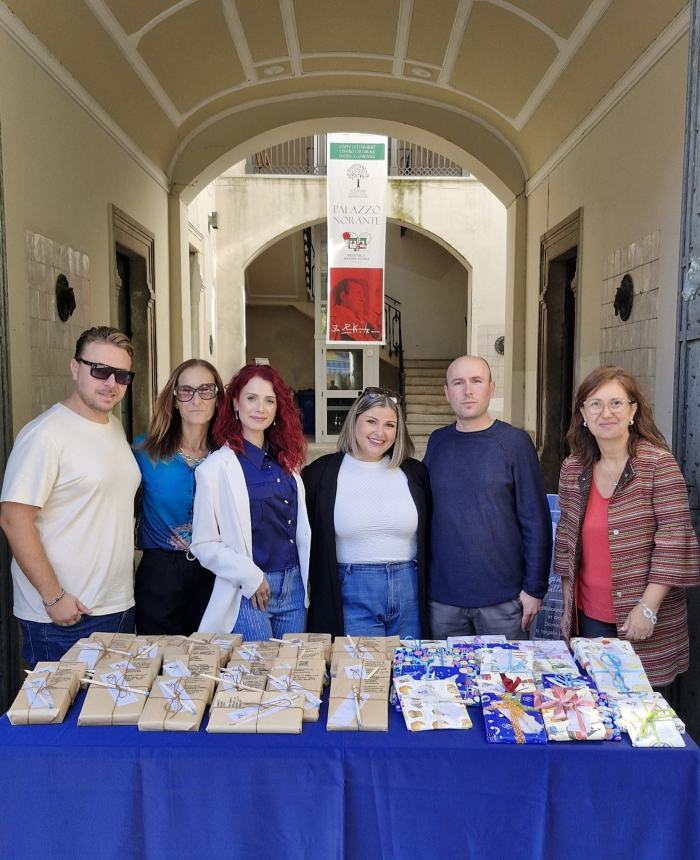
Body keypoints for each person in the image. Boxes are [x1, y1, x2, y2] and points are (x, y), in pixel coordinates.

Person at [0, 326, 140, 664]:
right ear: (75, 368)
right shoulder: (44, 435)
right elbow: (13, 518)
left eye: (121, 375)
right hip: (64, 616)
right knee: (59, 716)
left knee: (108, 714)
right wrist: (53, 597)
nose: (111, 383)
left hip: (117, 606)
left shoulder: (113, 426)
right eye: (100, 370)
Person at [554, 366, 700, 687]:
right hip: (589, 617)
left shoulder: (657, 465)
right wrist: (567, 609)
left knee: (643, 721)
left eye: (616, 403)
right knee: (598, 712)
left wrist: (647, 609)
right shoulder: (573, 468)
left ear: (633, 410)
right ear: (583, 414)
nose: (606, 413)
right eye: (595, 403)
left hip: (643, 617)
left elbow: (675, 541)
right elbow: (566, 542)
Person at [425, 355, 551, 640]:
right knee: (446, 684)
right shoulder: (438, 441)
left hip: (503, 602)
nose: (468, 391)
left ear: (491, 388)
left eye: (476, 381)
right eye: (458, 383)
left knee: (506, 684)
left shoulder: (515, 443)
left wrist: (534, 589)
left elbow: (536, 520)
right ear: (446, 392)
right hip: (443, 602)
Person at [189, 364, 311, 638]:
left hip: (294, 589)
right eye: (251, 398)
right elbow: (203, 544)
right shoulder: (215, 470)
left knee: (289, 676)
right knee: (257, 678)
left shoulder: (287, 463)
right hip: (249, 591)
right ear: (235, 403)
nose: (260, 408)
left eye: (270, 401)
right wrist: (250, 577)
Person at [302, 387, 431, 638]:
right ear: (354, 422)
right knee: (358, 674)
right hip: (350, 591)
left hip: (409, 591)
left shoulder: (415, 473)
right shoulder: (320, 474)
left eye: (390, 425)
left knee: (408, 673)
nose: (380, 433)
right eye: (371, 421)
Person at [132, 359, 224, 635]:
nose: (196, 399)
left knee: (209, 662)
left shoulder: (228, 455)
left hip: (214, 570)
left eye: (206, 389)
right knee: (159, 662)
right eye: (186, 391)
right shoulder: (144, 451)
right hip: (161, 573)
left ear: (218, 398)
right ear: (174, 400)